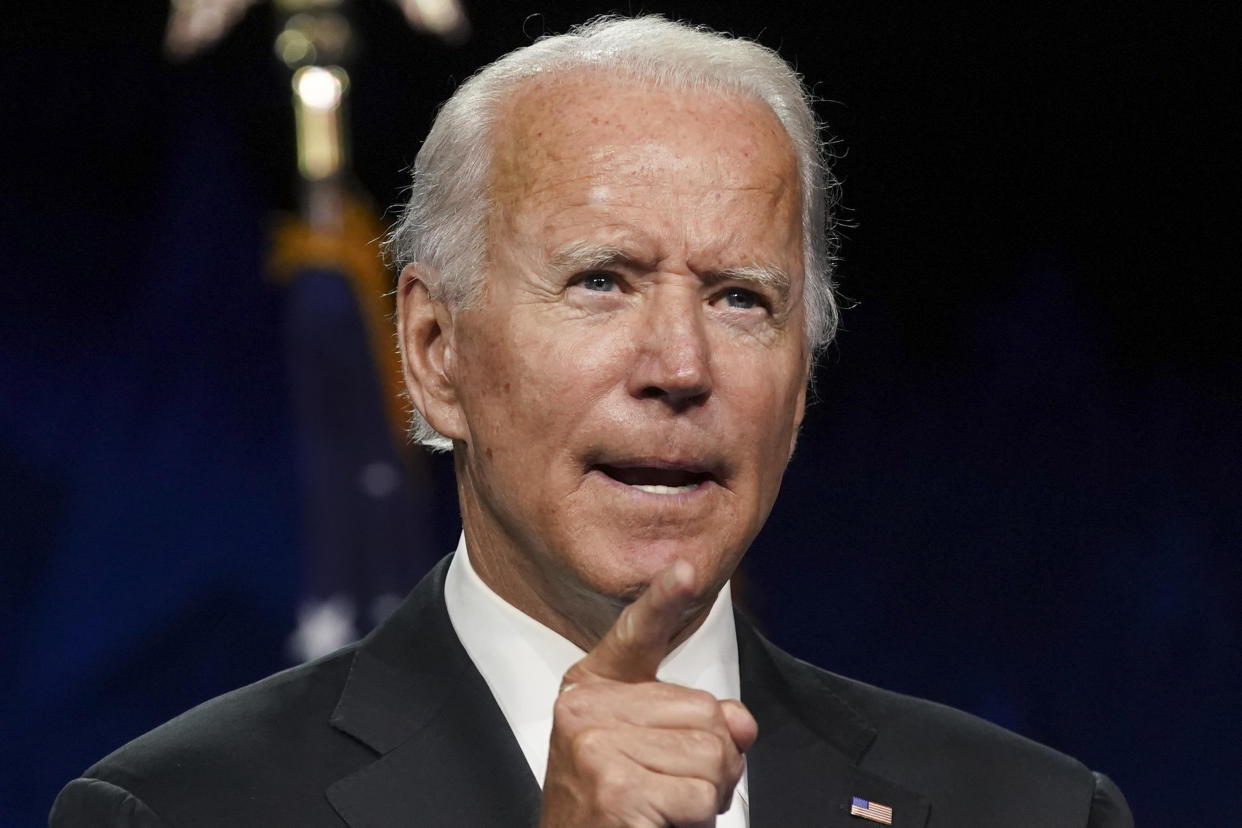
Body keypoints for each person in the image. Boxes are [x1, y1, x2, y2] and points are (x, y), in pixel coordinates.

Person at [51, 15, 1133, 828]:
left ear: (801, 386)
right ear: (435, 356)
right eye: (603, 281)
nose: (680, 367)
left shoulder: (1036, 810)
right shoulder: (175, 811)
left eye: (742, 298)